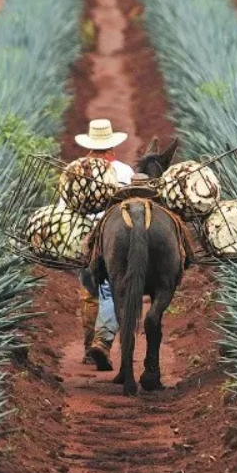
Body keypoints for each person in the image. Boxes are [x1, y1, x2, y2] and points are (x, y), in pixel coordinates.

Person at [70, 119, 134, 371]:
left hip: (86, 239)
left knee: (89, 294)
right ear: (111, 150)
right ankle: (102, 341)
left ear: (89, 148)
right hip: (116, 240)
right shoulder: (125, 171)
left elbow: (67, 207)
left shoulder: (77, 171)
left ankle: (90, 348)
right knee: (110, 291)